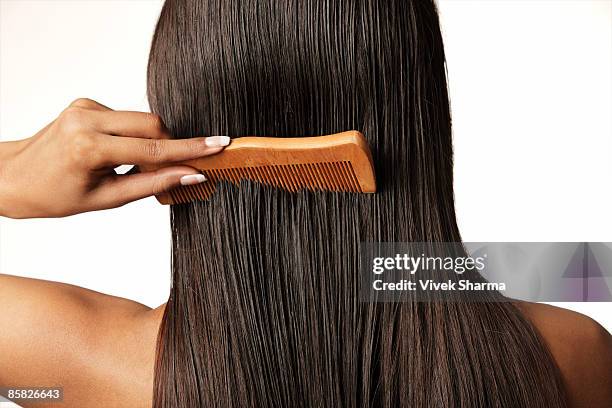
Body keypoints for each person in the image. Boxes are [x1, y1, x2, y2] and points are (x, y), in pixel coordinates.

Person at [1, 1, 611, 407]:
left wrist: (10, 174)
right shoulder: (574, 359)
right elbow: (419, 274)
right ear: (422, 116)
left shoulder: (69, 368)